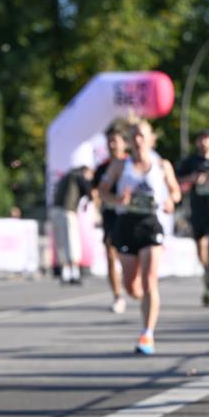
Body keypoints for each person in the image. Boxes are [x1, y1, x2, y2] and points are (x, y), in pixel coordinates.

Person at [99, 119, 181, 355]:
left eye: (142, 135)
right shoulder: (119, 166)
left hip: (150, 224)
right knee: (131, 286)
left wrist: (170, 201)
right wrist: (117, 200)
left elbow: (175, 192)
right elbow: (102, 192)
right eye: (134, 136)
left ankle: (147, 334)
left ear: (151, 139)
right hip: (126, 225)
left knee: (149, 281)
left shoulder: (162, 165)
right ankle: (142, 301)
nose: (137, 140)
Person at [176, 129, 209, 306]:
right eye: (200, 139)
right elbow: (176, 180)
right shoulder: (190, 162)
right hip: (197, 211)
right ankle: (207, 275)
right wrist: (192, 178)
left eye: (207, 139)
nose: (203, 142)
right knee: (201, 251)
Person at [92, 123, 128, 313]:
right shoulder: (102, 168)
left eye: (115, 141)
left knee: (130, 257)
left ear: (124, 143)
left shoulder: (133, 164)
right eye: (109, 141)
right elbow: (96, 192)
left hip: (131, 216)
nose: (111, 145)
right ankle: (117, 296)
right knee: (111, 254)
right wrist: (96, 210)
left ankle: (134, 284)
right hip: (111, 216)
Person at [50, 165, 93, 284]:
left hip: (56, 210)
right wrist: (90, 197)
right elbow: (87, 189)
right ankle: (74, 273)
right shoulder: (77, 176)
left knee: (61, 242)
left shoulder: (65, 177)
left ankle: (65, 273)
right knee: (72, 242)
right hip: (67, 211)